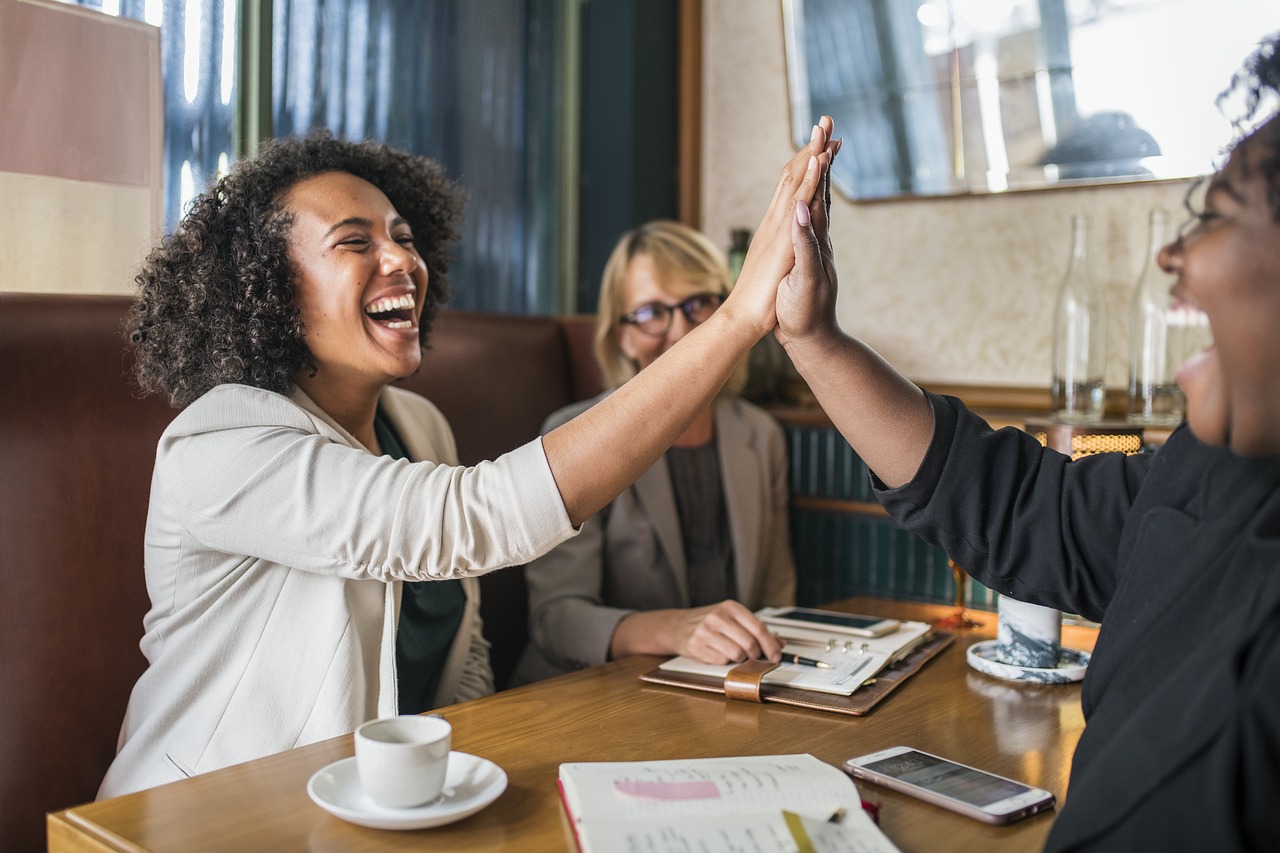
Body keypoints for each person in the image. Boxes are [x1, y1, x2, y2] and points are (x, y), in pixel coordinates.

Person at [98, 121, 837, 798]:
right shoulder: (221, 443)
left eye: (406, 237)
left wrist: (471, 784)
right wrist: (739, 316)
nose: (402, 260)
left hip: (377, 811)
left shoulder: (419, 426)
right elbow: (471, 519)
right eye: (355, 242)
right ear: (266, 289)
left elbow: (463, 652)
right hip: (201, 818)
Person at [776, 36, 1280, 850]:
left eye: (1214, 216)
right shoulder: (1209, 472)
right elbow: (1021, 506)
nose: (1171, 254)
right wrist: (814, 341)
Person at [513, 221, 797, 684]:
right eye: (650, 313)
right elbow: (555, 621)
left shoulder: (760, 435)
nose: (682, 331)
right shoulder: (570, 434)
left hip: (722, 687)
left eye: (697, 304)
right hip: (595, 692)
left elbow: (778, 598)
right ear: (622, 336)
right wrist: (673, 631)